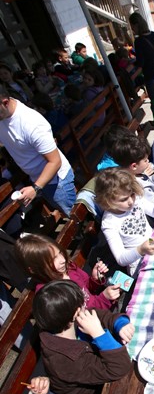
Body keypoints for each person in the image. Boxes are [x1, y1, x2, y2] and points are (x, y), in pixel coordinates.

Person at [33, 280, 133, 394]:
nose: (86, 307)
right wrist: (98, 333)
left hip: (99, 375)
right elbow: (120, 367)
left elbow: (100, 315)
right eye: (83, 304)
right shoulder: (66, 360)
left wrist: (119, 324)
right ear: (76, 313)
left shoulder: (61, 322)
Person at [0, 85, 76, 216]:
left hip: (56, 182)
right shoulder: (4, 114)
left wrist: (35, 188)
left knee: (75, 217)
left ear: (5, 102)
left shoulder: (31, 123)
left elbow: (55, 161)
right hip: (38, 178)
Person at [15, 234, 120, 310]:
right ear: (34, 269)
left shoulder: (68, 268)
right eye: (53, 259)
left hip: (102, 309)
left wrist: (95, 278)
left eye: (60, 253)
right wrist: (104, 298)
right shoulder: (51, 294)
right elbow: (82, 318)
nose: (63, 260)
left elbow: (86, 288)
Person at [95, 168, 154, 274]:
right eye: (124, 199)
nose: (130, 201)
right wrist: (140, 250)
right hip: (139, 263)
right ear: (107, 200)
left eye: (132, 194)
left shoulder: (136, 200)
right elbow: (121, 259)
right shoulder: (109, 223)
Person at [110, 134, 154, 224]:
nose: (148, 161)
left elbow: (145, 184)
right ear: (134, 166)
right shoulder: (135, 188)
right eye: (145, 160)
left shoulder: (131, 174)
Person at [129, 12, 154, 102]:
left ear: (135, 25)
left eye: (132, 27)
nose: (132, 29)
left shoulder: (139, 41)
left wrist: (133, 66)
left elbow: (141, 63)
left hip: (152, 77)